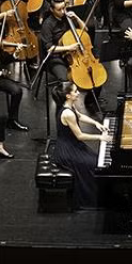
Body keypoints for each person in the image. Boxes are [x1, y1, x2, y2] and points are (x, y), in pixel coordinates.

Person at [50, 81, 107, 209]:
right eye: (75, 91)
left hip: (72, 144)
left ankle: (100, 195)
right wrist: (100, 137)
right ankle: (89, 200)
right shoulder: (67, 113)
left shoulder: (69, 106)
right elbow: (80, 136)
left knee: (96, 160)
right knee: (93, 165)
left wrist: (95, 123)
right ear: (68, 96)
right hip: (67, 150)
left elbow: (80, 116)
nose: (78, 93)